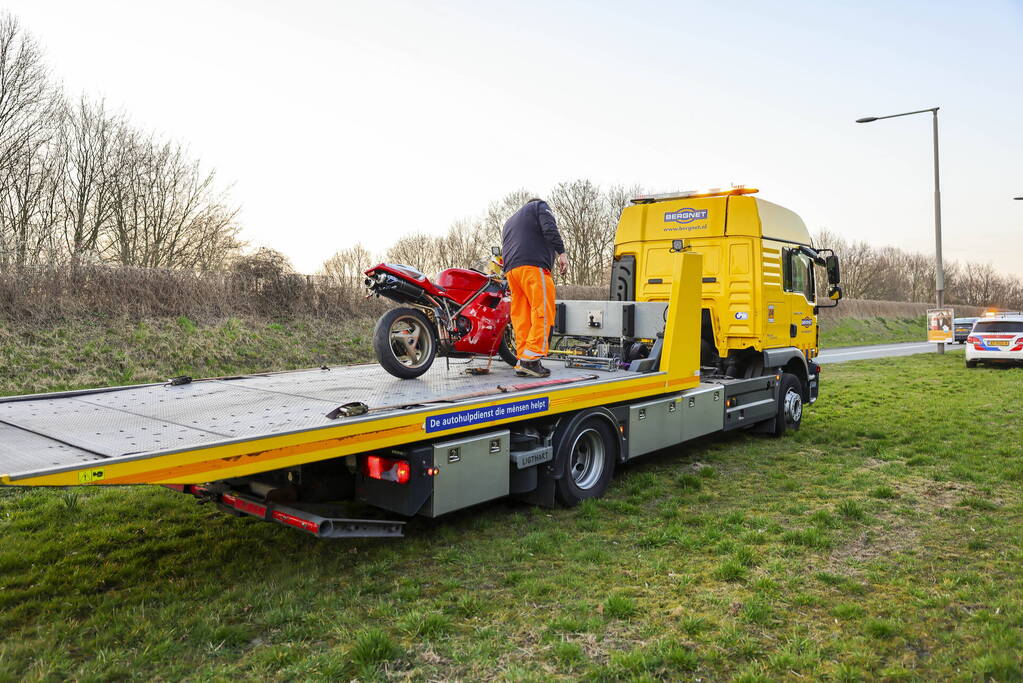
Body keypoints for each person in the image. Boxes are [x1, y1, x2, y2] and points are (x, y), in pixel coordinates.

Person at [501, 198, 569, 378]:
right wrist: (561, 253)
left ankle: (523, 359)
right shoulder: (540, 206)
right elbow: (549, 229)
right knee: (543, 312)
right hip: (534, 267)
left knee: (521, 316)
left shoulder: (510, 221)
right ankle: (531, 360)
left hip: (512, 271)